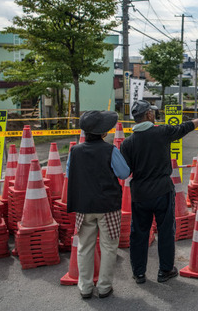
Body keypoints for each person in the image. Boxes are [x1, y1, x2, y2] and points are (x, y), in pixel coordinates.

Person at [120, 99, 198, 284]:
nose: (154, 114)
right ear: (148, 115)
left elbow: (125, 171)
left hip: (140, 194)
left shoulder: (128, 143)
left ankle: (139, 273)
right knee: (166, 231)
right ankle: (165, 270)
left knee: (139, 233)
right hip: (162, 190)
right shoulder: (162, 132)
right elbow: (183, 128)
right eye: (151, 112)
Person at [66, 110, 130, 299]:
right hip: (108, 205)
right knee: (109, 246)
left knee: (85, 246)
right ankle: (104, 286)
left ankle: (85, 287)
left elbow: (70, 174)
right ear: (103, 133)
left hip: (84, 205)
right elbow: (124, 173)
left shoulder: (75, 151)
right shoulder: (110, 150)